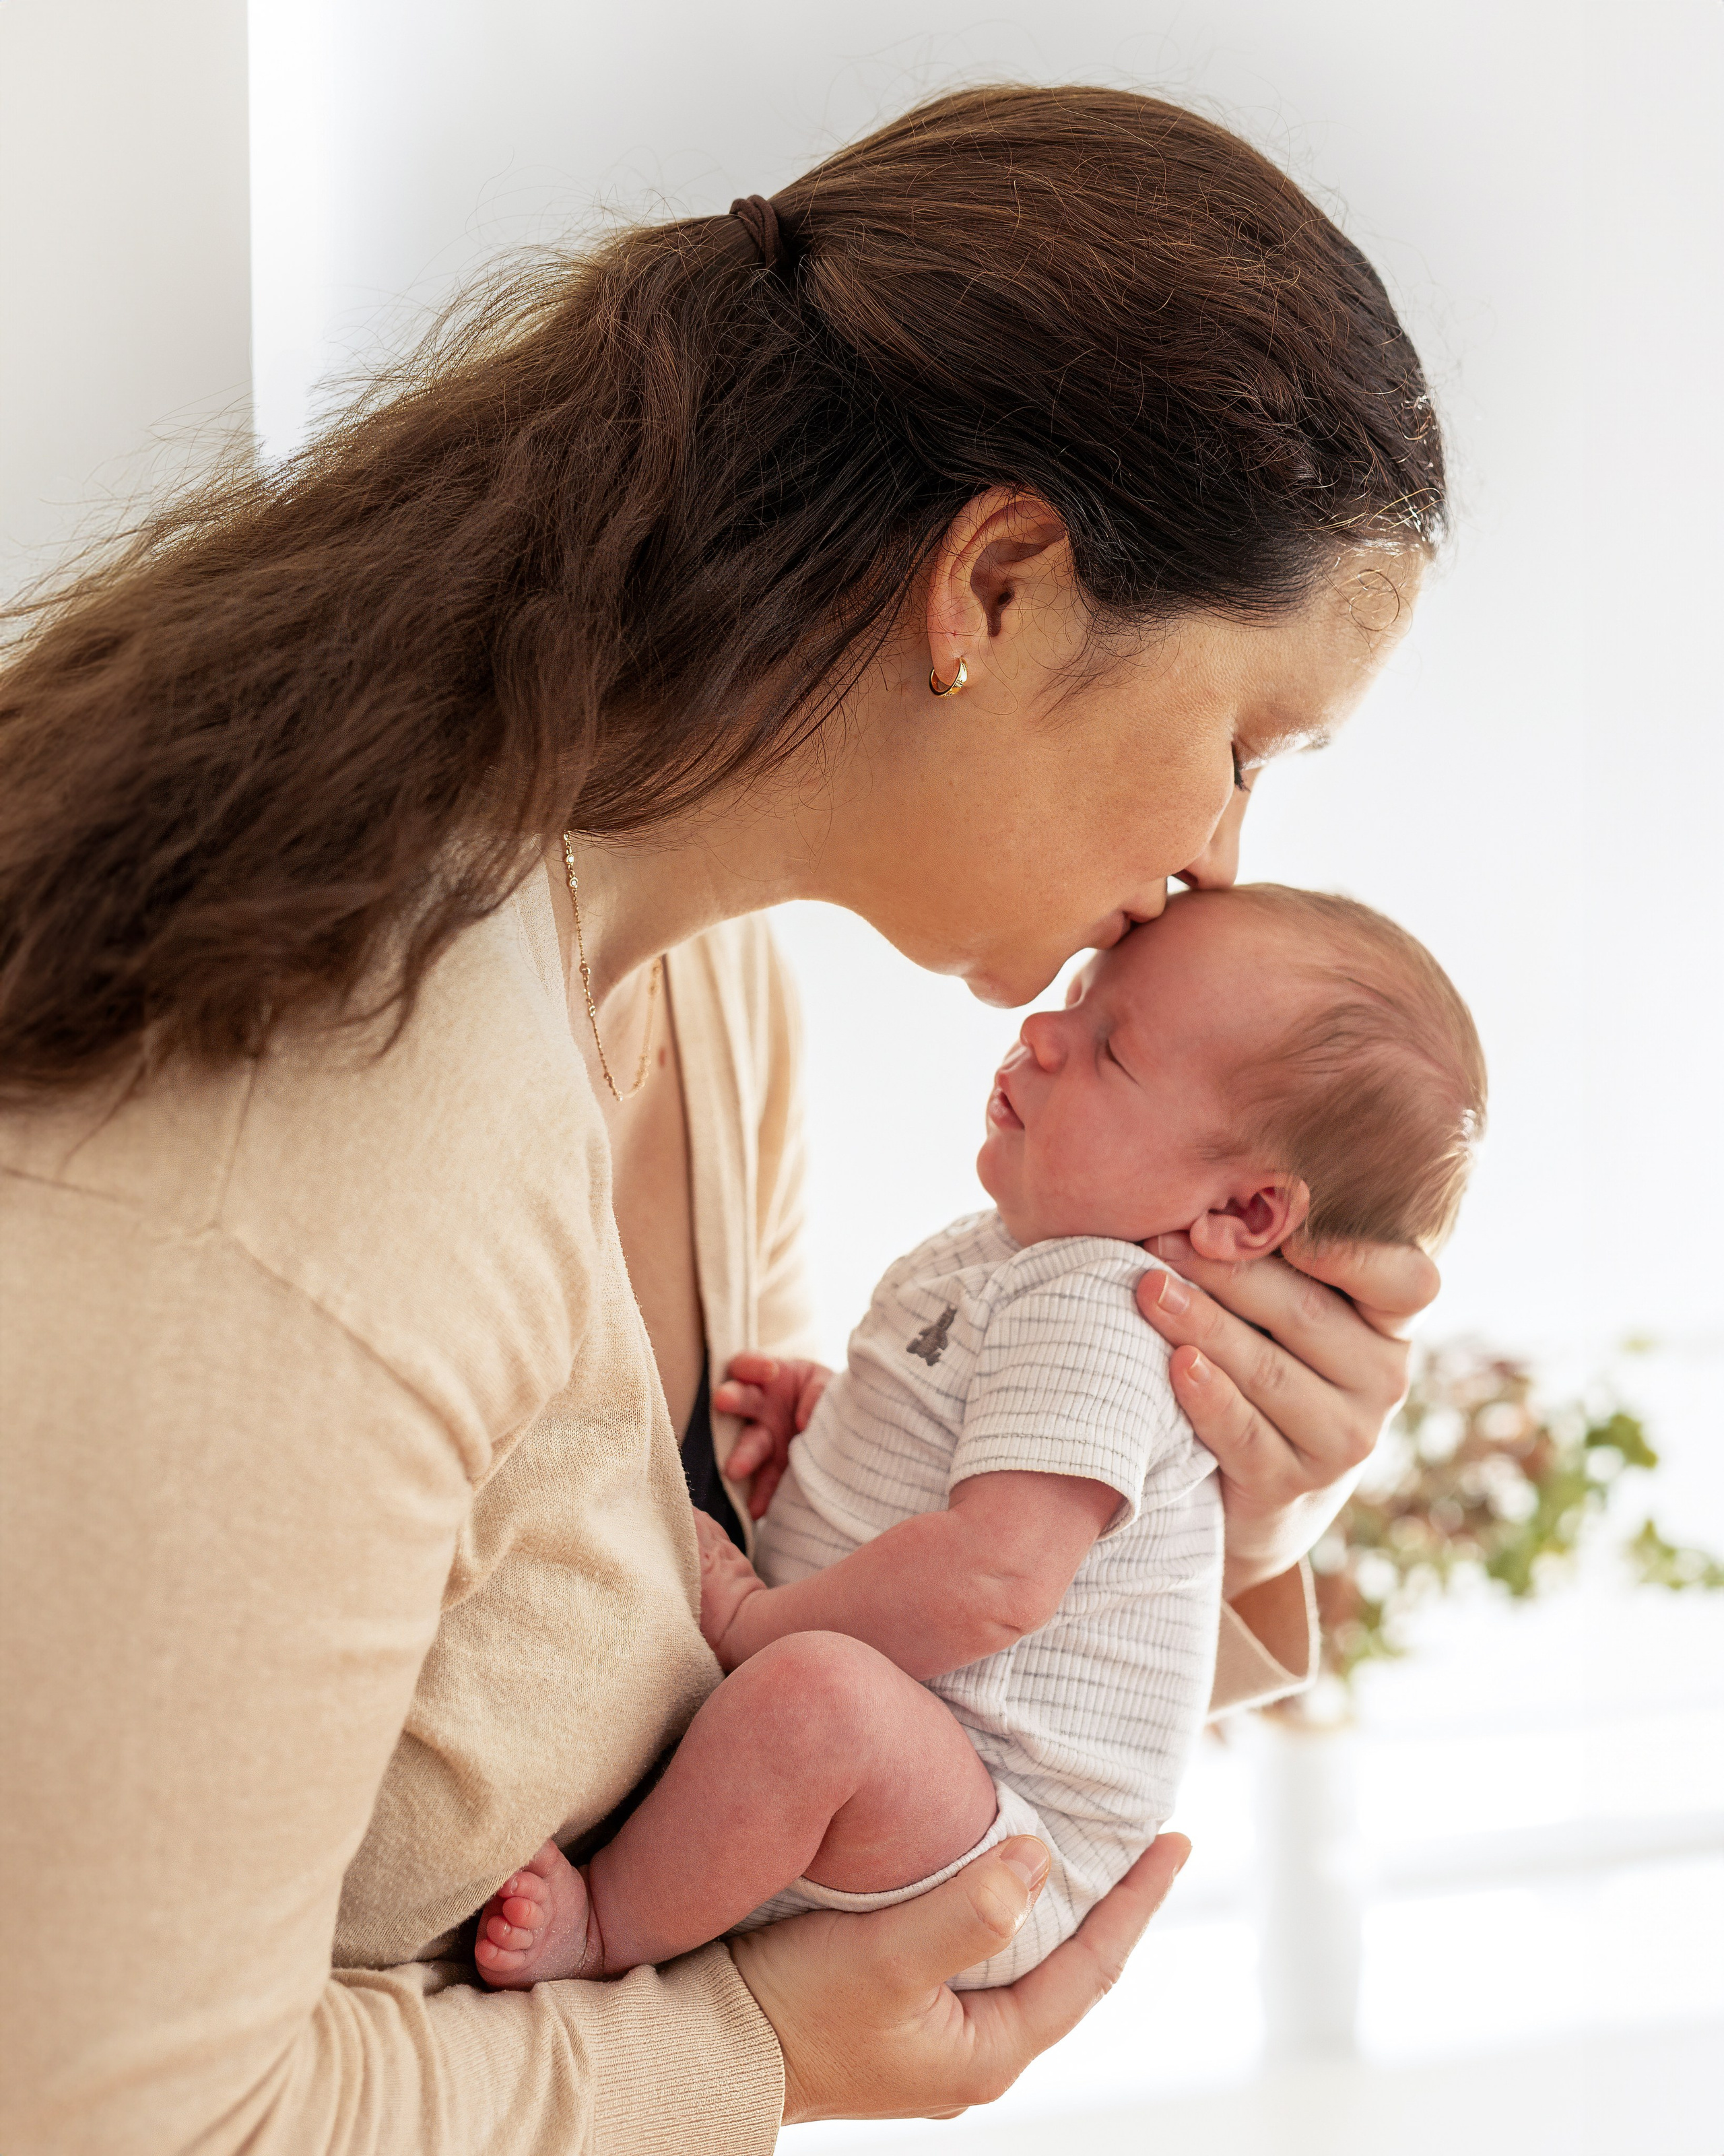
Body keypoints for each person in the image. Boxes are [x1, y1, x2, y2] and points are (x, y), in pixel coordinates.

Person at [0, 84, 1447, 2156]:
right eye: (1241, 742)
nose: (1223, 862)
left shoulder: (700, 1001)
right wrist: (752, 2059)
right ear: (1003, 583)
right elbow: (106, 2113)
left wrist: (1210, 1473)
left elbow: (687, 1693)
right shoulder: (322, 1150)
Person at [468, 886, 1484, 1994]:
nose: (1045, 1031)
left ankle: (606, 1928)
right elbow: (958, 1469)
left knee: (814, 1701)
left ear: (1243, 1217)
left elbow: (997, 1578)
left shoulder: (1104, 1304)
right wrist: (842, 1426)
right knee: (818, 1699)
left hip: (1005, 1836)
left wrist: (760, 1619)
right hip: (948, 1772)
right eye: (1078, 999)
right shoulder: (1019, 1255)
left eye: (1112, 1051)